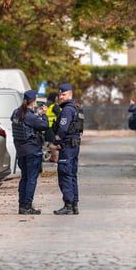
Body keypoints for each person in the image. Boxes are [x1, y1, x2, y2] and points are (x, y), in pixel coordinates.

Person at [11, 90, 48, 215]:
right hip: (32, 150)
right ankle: (28, 206)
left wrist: (37, 113)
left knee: (24, 178)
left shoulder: (16, 112)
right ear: (33, 101)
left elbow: (28, 120)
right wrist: (44, 115)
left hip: (21, 151)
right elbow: (44, 125)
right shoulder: (29, 116)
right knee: (32, 179)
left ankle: (22, 205)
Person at [53, 83, 83, 215]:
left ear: (70, 94)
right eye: (60, 94)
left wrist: (57, 140)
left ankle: (68, 205)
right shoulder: (76, 108)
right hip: (74, 145)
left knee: (65, 175)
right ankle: (74, 204)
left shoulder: (67, 110)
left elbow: (63, 128)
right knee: (72, 175)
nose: (61, 97)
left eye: (64, 94)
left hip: (68, 146)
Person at [44, 91, 61, 163]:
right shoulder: (54, 106)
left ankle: (53, 157)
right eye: (57, 97)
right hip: (52, 127)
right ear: (54, 97)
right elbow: (60, 114)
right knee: (53, 143)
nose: (58, 98)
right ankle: (54, 158)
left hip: (46, 126)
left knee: (50, 143)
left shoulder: (46, 105)